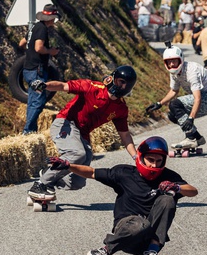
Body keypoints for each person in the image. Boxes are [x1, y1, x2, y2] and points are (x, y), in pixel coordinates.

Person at [48, 136, 198, 255]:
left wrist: (177, 187)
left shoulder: (168, 176)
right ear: (141, 157)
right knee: (140, 223)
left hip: (148, 237)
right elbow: (92, 172)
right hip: (126, 229)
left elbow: (193, 191)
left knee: (168, 199)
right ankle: (105, 250)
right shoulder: (124, 173)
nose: (154, 165)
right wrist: (68, 166)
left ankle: (151, 253)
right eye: (150, 160)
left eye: (158, 161)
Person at [26, 66, 139, 203]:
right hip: (66, 123)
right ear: (113, 78)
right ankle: (40, 185)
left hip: (82, 134)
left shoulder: (121, 109)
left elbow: (125, 136)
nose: (122, 86)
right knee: (78, 153)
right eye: (121, 81)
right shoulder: (92, 87)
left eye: (126, 84)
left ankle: (48, 176)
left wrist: (136, 156)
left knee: (78, 181)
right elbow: (63, 86)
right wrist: (44, 85)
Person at [146, 46, 207, 152]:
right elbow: (174, 91)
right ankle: (198, 138)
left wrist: (191, 118)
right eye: (169, 62)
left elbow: (198, 98)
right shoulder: (174, 73)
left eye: (174, 61)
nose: (172, 64)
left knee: (175, 104)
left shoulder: (191, 70)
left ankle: (190, 138)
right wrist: (159, 103)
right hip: (204, 98)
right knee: (173, 115)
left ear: (181, 59)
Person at [22, 4, 62, 134]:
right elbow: (39, 47)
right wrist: (51, 51)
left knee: (33, 100)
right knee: (38, 101)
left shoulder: (34, 27)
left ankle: (30, 131)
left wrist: (30, 54)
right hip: (37, 71)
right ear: (50, 18)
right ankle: (27, 131)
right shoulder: (42, 29)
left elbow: (22, 42)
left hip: (28, 69)